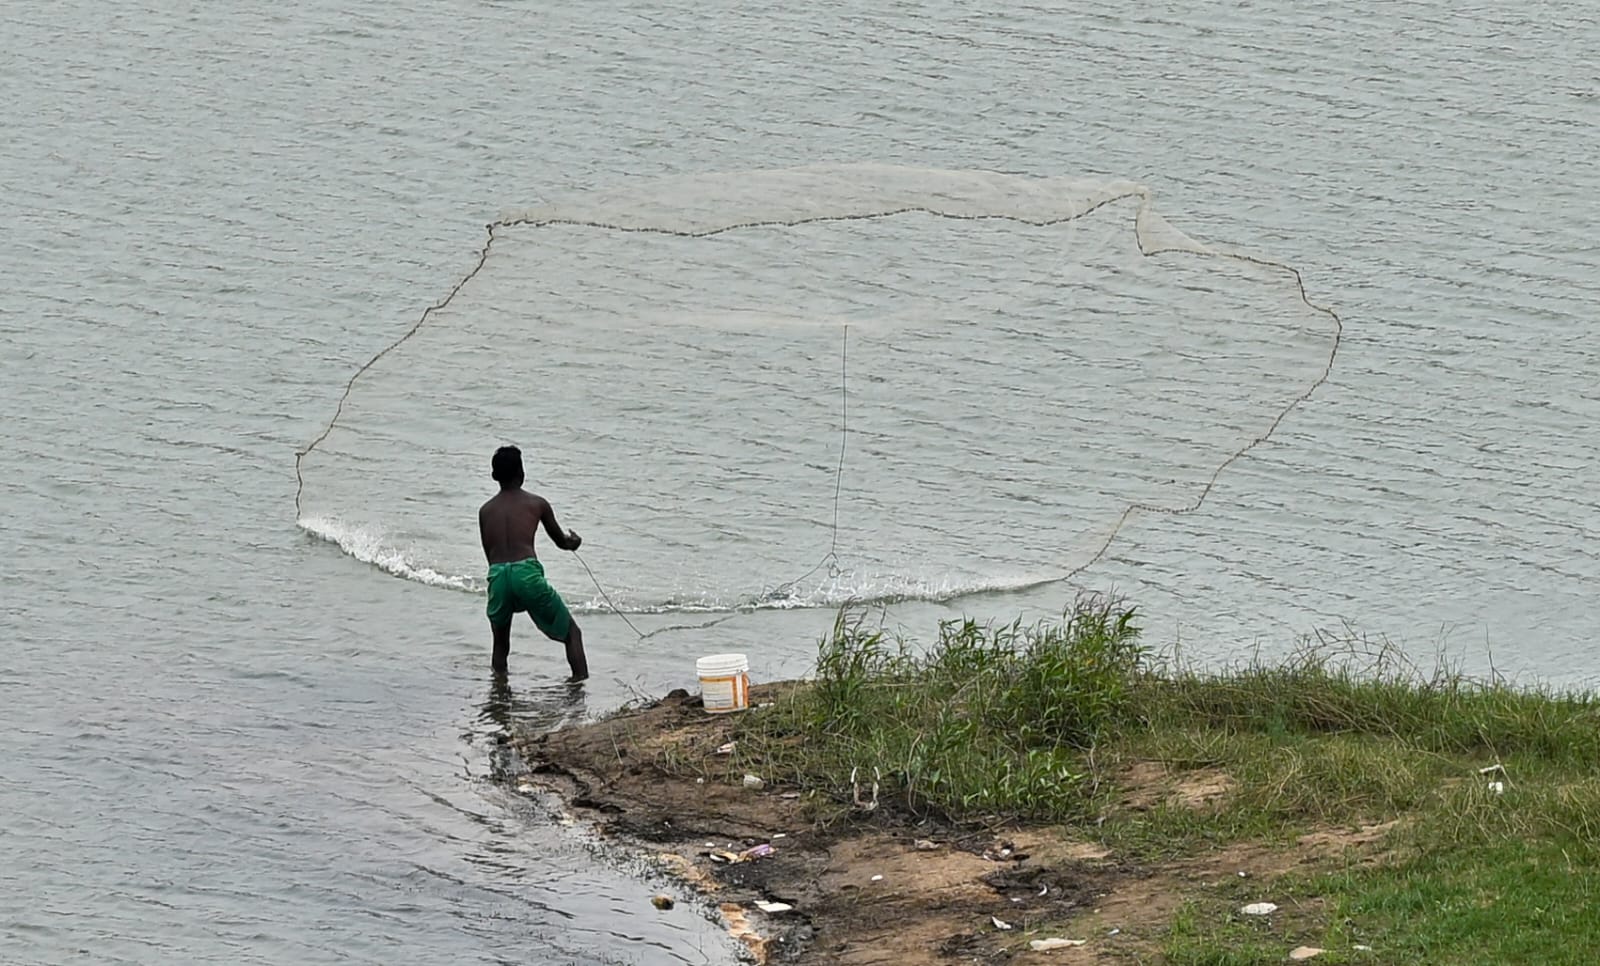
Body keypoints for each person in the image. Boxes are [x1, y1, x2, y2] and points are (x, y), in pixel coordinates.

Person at [477, 445, 588, 681]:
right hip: (526, 574)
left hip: (497, 576)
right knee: (572, 634)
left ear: (494, 475)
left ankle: (499, 693)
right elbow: (562, 542)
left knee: (500, 645)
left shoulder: (485, 511)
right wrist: (574, 542)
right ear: (522, 473)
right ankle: (579, 690)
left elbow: (490, 554)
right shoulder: (537, 504)